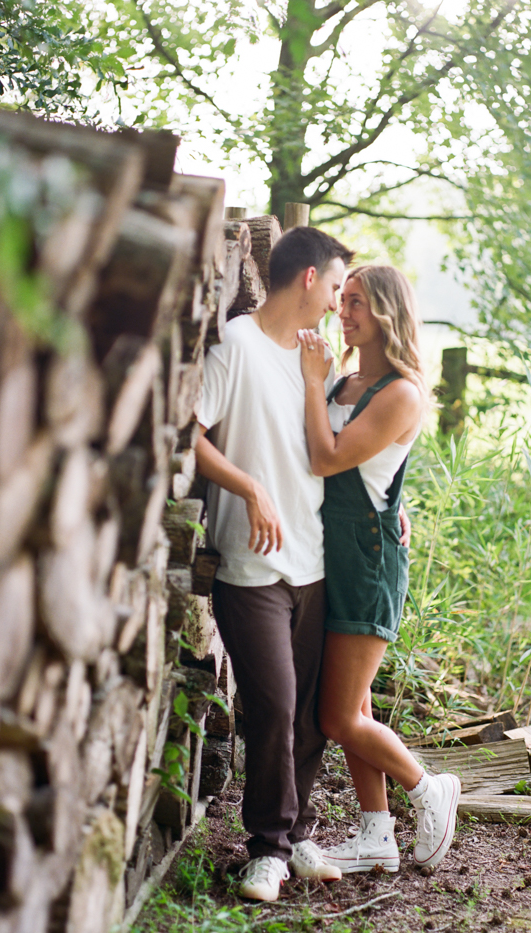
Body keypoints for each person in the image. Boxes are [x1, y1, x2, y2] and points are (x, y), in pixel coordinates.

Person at [193, 226, 355, 903]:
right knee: (275, 702)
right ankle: (265, 847)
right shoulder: (237, 345)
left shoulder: (316, 359)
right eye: (339, 287)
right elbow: (192, 436)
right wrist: (250, 486)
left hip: (310, 559)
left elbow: (335, 452)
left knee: (310, 712)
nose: (341, 304)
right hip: (250, 562)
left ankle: (295, 833)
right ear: (309, 278)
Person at [297, 265, 460, 875]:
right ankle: (375, 836)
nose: (345, 311)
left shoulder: (400, 391)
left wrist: (312, 382)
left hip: (366, 563)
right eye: (343, 301)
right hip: (330, 555)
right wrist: (324, 382)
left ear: (388, 311)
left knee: (336, 717)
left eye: (358, 302)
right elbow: (375, 470)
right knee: (355, 708)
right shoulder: (348, 380)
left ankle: (427, 788)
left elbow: (327, 456)